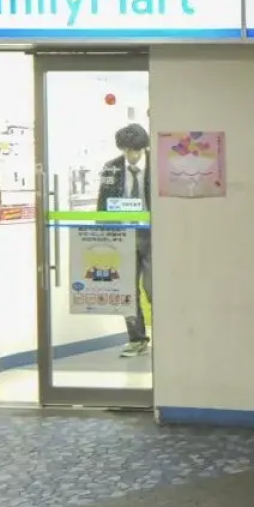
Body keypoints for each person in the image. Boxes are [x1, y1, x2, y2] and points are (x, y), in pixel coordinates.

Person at [97, 123, 153, 357]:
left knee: (154, 288)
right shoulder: (112, 168)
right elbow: (103, 203)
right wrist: (105, 236)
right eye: (126, 151)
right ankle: (137, 338)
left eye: (135, 151)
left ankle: (168, 337)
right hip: (124, 236)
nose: (130, 156)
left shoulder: (157, 165)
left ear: (143, 148)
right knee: (126, 290)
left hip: (153, 237)